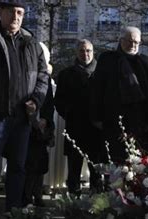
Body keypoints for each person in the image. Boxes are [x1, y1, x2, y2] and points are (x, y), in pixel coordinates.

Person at [0, 0, 49, 214]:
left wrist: (36, 100)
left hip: (22, 117)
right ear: (0, 12)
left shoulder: (31, 42)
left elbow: (42, 76)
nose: (16, 17)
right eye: (11, 12)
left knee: (18, 168)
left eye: (20, 12)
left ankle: (14, 215)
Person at [90, 26, 148, 162]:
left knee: (137, 163)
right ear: (121, 40)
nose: (133, 45)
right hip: (112, 120)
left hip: (138, 121)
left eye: (136, 42)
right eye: (129, 41)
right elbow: (97, 89)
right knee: (114, 162)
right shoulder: (107, 59)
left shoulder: (145, 62)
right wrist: (96, 118)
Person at [55, 39, 103, 196]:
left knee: (96, 170)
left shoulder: (102, 73)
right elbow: (59, 101)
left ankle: (97, 203)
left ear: (93, 52)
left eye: (88, 50)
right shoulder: (65, 74)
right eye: (82, 51)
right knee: (74, 168)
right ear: (77, 52)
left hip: (97, 130)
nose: (85, 54)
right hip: (75, 127)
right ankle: (73, 202)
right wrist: (70, 113)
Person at [23, 42, 55, 206]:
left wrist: (46, 120)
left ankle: (37, 194)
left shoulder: (45, 78)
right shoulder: (26, 73)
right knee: (29, 164)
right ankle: (27, 196)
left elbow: (49, 102)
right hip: (27, 124)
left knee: (41, 163)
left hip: (42, 126)